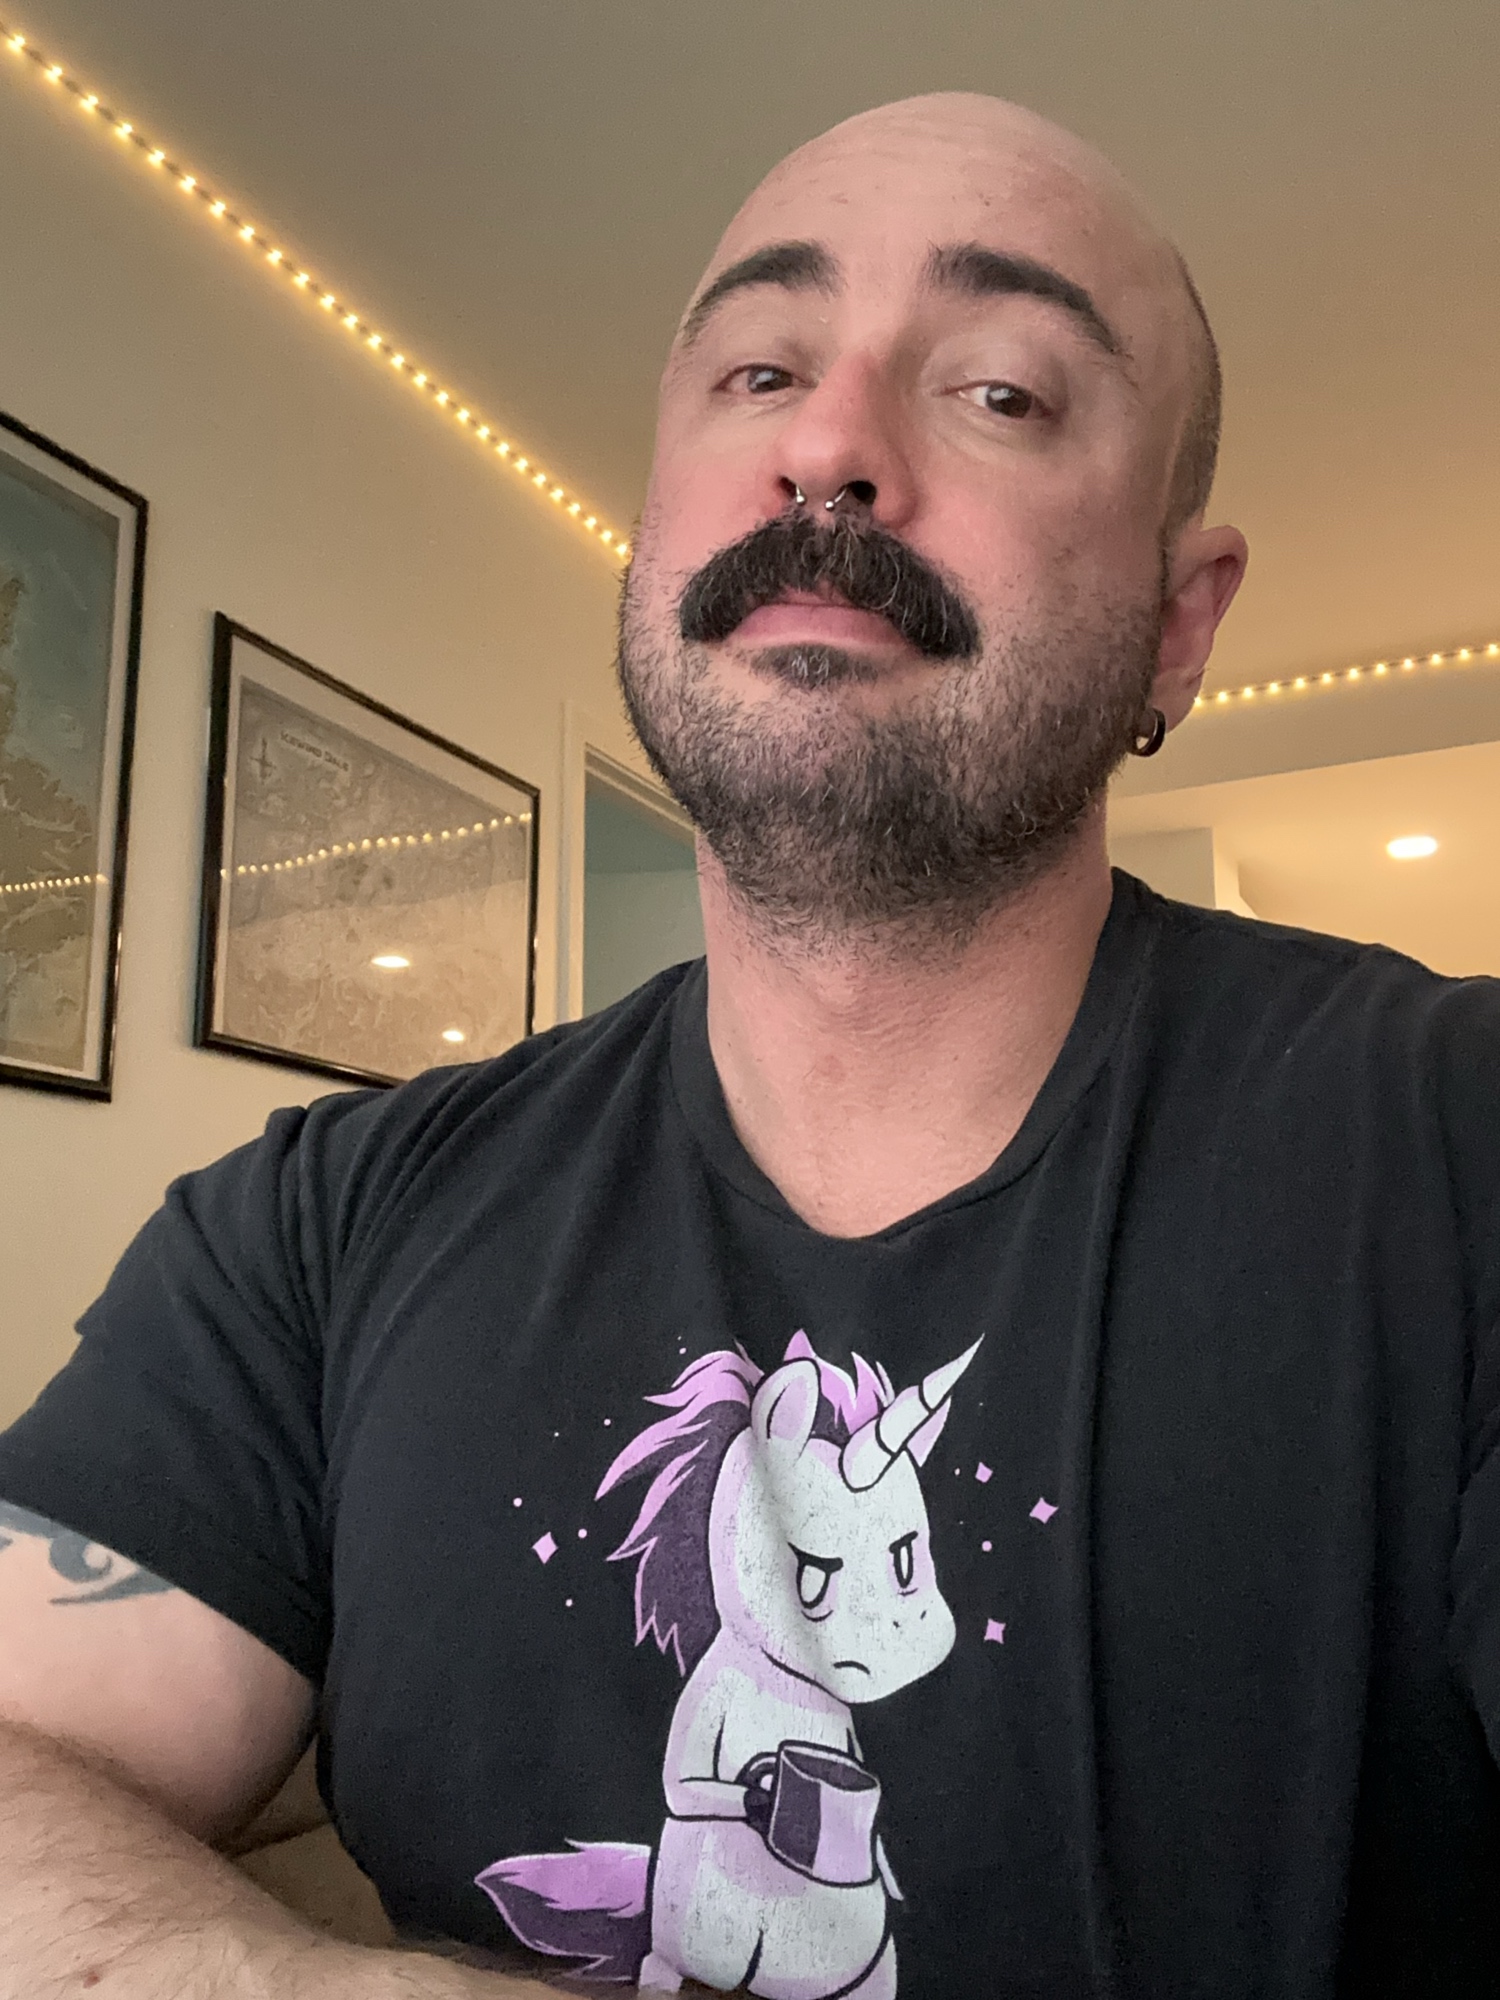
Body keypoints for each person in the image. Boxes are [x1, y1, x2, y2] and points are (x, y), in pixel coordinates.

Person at [0, 88, 1496, 2000]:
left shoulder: (1460, 1150)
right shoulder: (312, 1232)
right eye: (761, 370)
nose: (828, 447)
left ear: (1177, 628)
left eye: (1002, 392)